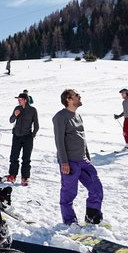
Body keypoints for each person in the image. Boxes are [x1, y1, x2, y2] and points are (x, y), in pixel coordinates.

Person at [52, 89, 104, 226]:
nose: (79, 97)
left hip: (83, 160)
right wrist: (64, 161)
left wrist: (87, 156)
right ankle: (70, 222)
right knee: (69, 193)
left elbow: (82, 137)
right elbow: (59, 140)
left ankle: (92, 218)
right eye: (76, 95)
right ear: (68, 100)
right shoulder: (60, 117)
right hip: (70, 162)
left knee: (96, 189)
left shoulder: (77, 115)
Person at [6, 92, 39, 185]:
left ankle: (25, 178)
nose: (18, 101)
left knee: (26, 158)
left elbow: (36, 125)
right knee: (13, 157)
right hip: (16, 136)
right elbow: (11, 120)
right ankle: (12, 175)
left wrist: (32, 135)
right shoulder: (17, 108)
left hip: (27, 137)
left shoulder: (33, 110)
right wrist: (15, 115)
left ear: (25, 100)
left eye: (20, 99)